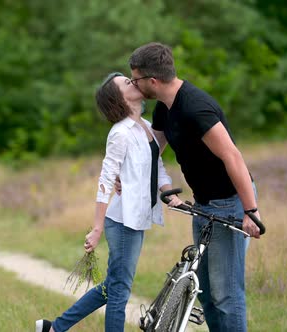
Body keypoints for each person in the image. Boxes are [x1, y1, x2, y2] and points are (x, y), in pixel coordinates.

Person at [127, 42, 262, 332]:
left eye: (135, 79)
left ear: (152, 81)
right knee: (207, 294)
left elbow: (232, 156)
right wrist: (125, 175)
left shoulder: (195, 107)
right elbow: (155, 148)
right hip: (203, 204)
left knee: (227, 295)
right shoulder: (165, 107)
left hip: (230, 203)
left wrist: (250, 211)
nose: (133, 84)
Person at [35, 72, 182, 332]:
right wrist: (97, 227)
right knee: (119, 292)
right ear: (119, 99)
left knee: (112, 285)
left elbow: (155, 164)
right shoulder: (120, 134)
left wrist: (169, 193)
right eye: (126, 82)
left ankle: (55, 328)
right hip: (121, 221)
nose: (133, 81)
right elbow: (105, 180)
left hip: (136, 218)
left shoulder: (146, 127)